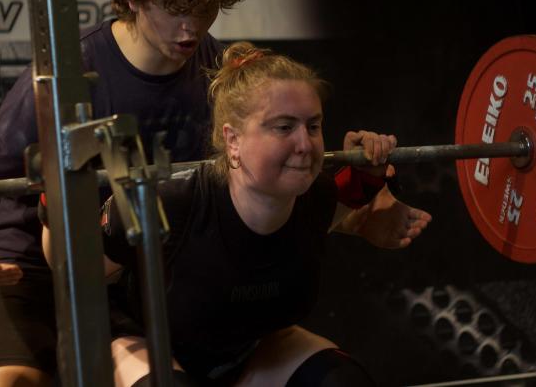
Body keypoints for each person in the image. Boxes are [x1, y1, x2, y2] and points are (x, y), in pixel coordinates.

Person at [0, 0, 254, 386]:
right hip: (30, 268)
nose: (191, 26)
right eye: (174, 7)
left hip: (135, 274)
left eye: (203, 7)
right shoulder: (71, 73)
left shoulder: (218, 71)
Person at [41, 42, 433, 386]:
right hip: (143, 342)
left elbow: (350, 197)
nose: (305, 144)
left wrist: (369, 172)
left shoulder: (316, 199)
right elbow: (71, 267)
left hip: (243, 352)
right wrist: (56, 198)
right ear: (232, 141)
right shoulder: (172, 203)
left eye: (313, 126)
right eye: (284, 127)